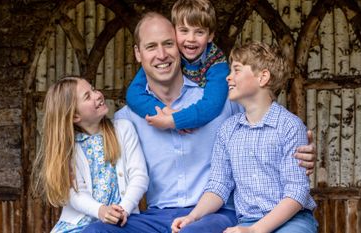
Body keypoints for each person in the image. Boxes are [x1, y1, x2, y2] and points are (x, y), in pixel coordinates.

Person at [83, 13, 316, 233]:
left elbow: (263, 120)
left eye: (168, 44)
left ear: (180, 47)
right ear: (138, 53)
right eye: (151, 47)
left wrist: (303, 150)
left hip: (216, 213)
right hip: (157, 216)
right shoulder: (127, 119)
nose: (162, 55)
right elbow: (91, 150)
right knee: (96, 231)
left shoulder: (220, 102)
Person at [171, 41, 318, 233]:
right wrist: (193, 216)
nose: (228, 78)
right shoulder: (228, 130)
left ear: (263, 77)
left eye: (236, 70)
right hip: (248, 220)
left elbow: (296, 192)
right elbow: (219, 185)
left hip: (293, 221)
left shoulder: (289, 126)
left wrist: (255, 231)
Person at [31, 76, 149, 232]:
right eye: (88, 96)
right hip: (78, 226)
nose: (98, 94)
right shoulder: (68, 149)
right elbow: (75, 193)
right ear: (75, 116)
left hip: (121, 221)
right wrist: (100, 210)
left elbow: (139, 176)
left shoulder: (123, 129)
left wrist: (123, 209)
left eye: (93, 89)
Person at [126, 0, 229, 131]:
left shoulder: (217, 63)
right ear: (173, 32)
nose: (191, 38)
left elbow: (212, 105)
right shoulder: (169, 56)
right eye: (184, 31)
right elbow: (133, 94)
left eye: (199, 32)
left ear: (210, 36)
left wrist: (176, 120)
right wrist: (165, 112)